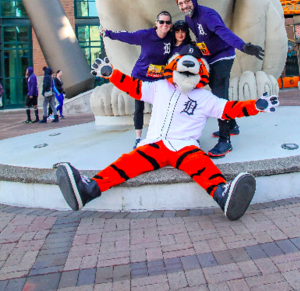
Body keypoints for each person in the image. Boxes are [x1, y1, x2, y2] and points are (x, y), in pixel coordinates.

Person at [56, 47, 278, 218]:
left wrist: (255, 106)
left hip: (185, 147)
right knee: (125, 164)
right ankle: (87, 190)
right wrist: (112, 74)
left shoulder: (205, 98)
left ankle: (223, 195)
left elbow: (229, 109)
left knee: (202, 166)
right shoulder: (160, 86)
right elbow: (134, 87)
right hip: (153, 145)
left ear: (202, 72)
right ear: (173, 67)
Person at [176, 0, 264, 158]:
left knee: (218, 96)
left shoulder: (207, 15)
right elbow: (202, 38)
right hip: (209, 58)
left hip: (223, 55)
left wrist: (243, 46)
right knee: (217, 90)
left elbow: (223, 32)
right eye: (181, 3)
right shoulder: (189, 18)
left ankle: (225, 141)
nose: (185, 5)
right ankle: (232, 125)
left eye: (187, 1)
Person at [100, 11, 174, 148]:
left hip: (159, 78)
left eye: (167, 22)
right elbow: (127, 36)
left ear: (170, 24)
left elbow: (184, 40)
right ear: (156, 23)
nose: (164, 25)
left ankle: (162, 134)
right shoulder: (146, 35)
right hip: (141, 76)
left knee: (162, 105)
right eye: (161, 22)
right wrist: (108, 33)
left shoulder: (171, 38)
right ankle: (138, 138)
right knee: (139, 107)